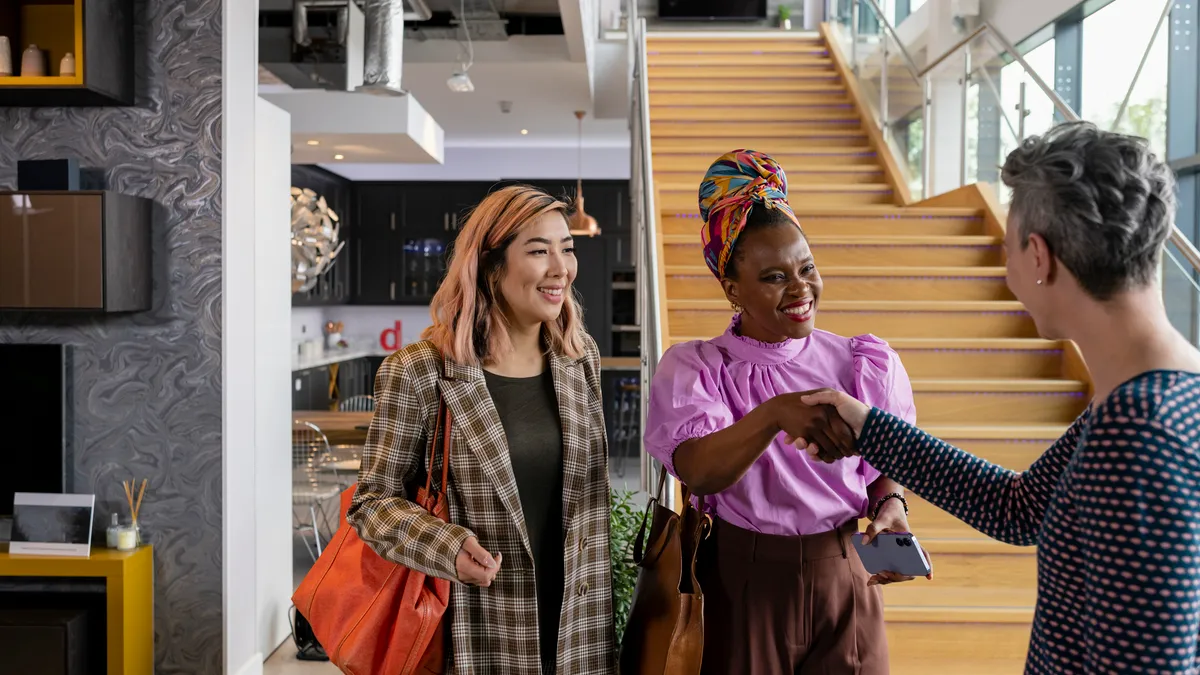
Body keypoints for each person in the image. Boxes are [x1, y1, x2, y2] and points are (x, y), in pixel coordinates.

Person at [795, 122, 1200, 674]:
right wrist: (871, 428)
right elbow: (1019, 509)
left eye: (1008, 250)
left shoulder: (1136, 435)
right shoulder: (1150, 397)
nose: (1007, 271)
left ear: (1039, 257)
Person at [643, 149, 923, 675]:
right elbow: (698, 470)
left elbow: (887, 467)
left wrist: (892, 505)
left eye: (807, 268)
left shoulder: (864, 363)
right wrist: (774, 413)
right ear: (732, 289)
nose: (800, 289)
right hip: (740, 581)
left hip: (845, 575)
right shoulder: (696, 368)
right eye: (774, 277)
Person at [348, 184, 615, 675]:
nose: (562, 268)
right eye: (539, 251)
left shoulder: (581, 359)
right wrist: (446, 548)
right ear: (490, 266)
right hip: (477, 631)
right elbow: (371, 503)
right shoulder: (420, 371)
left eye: (567, 248)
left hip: (579, 631)